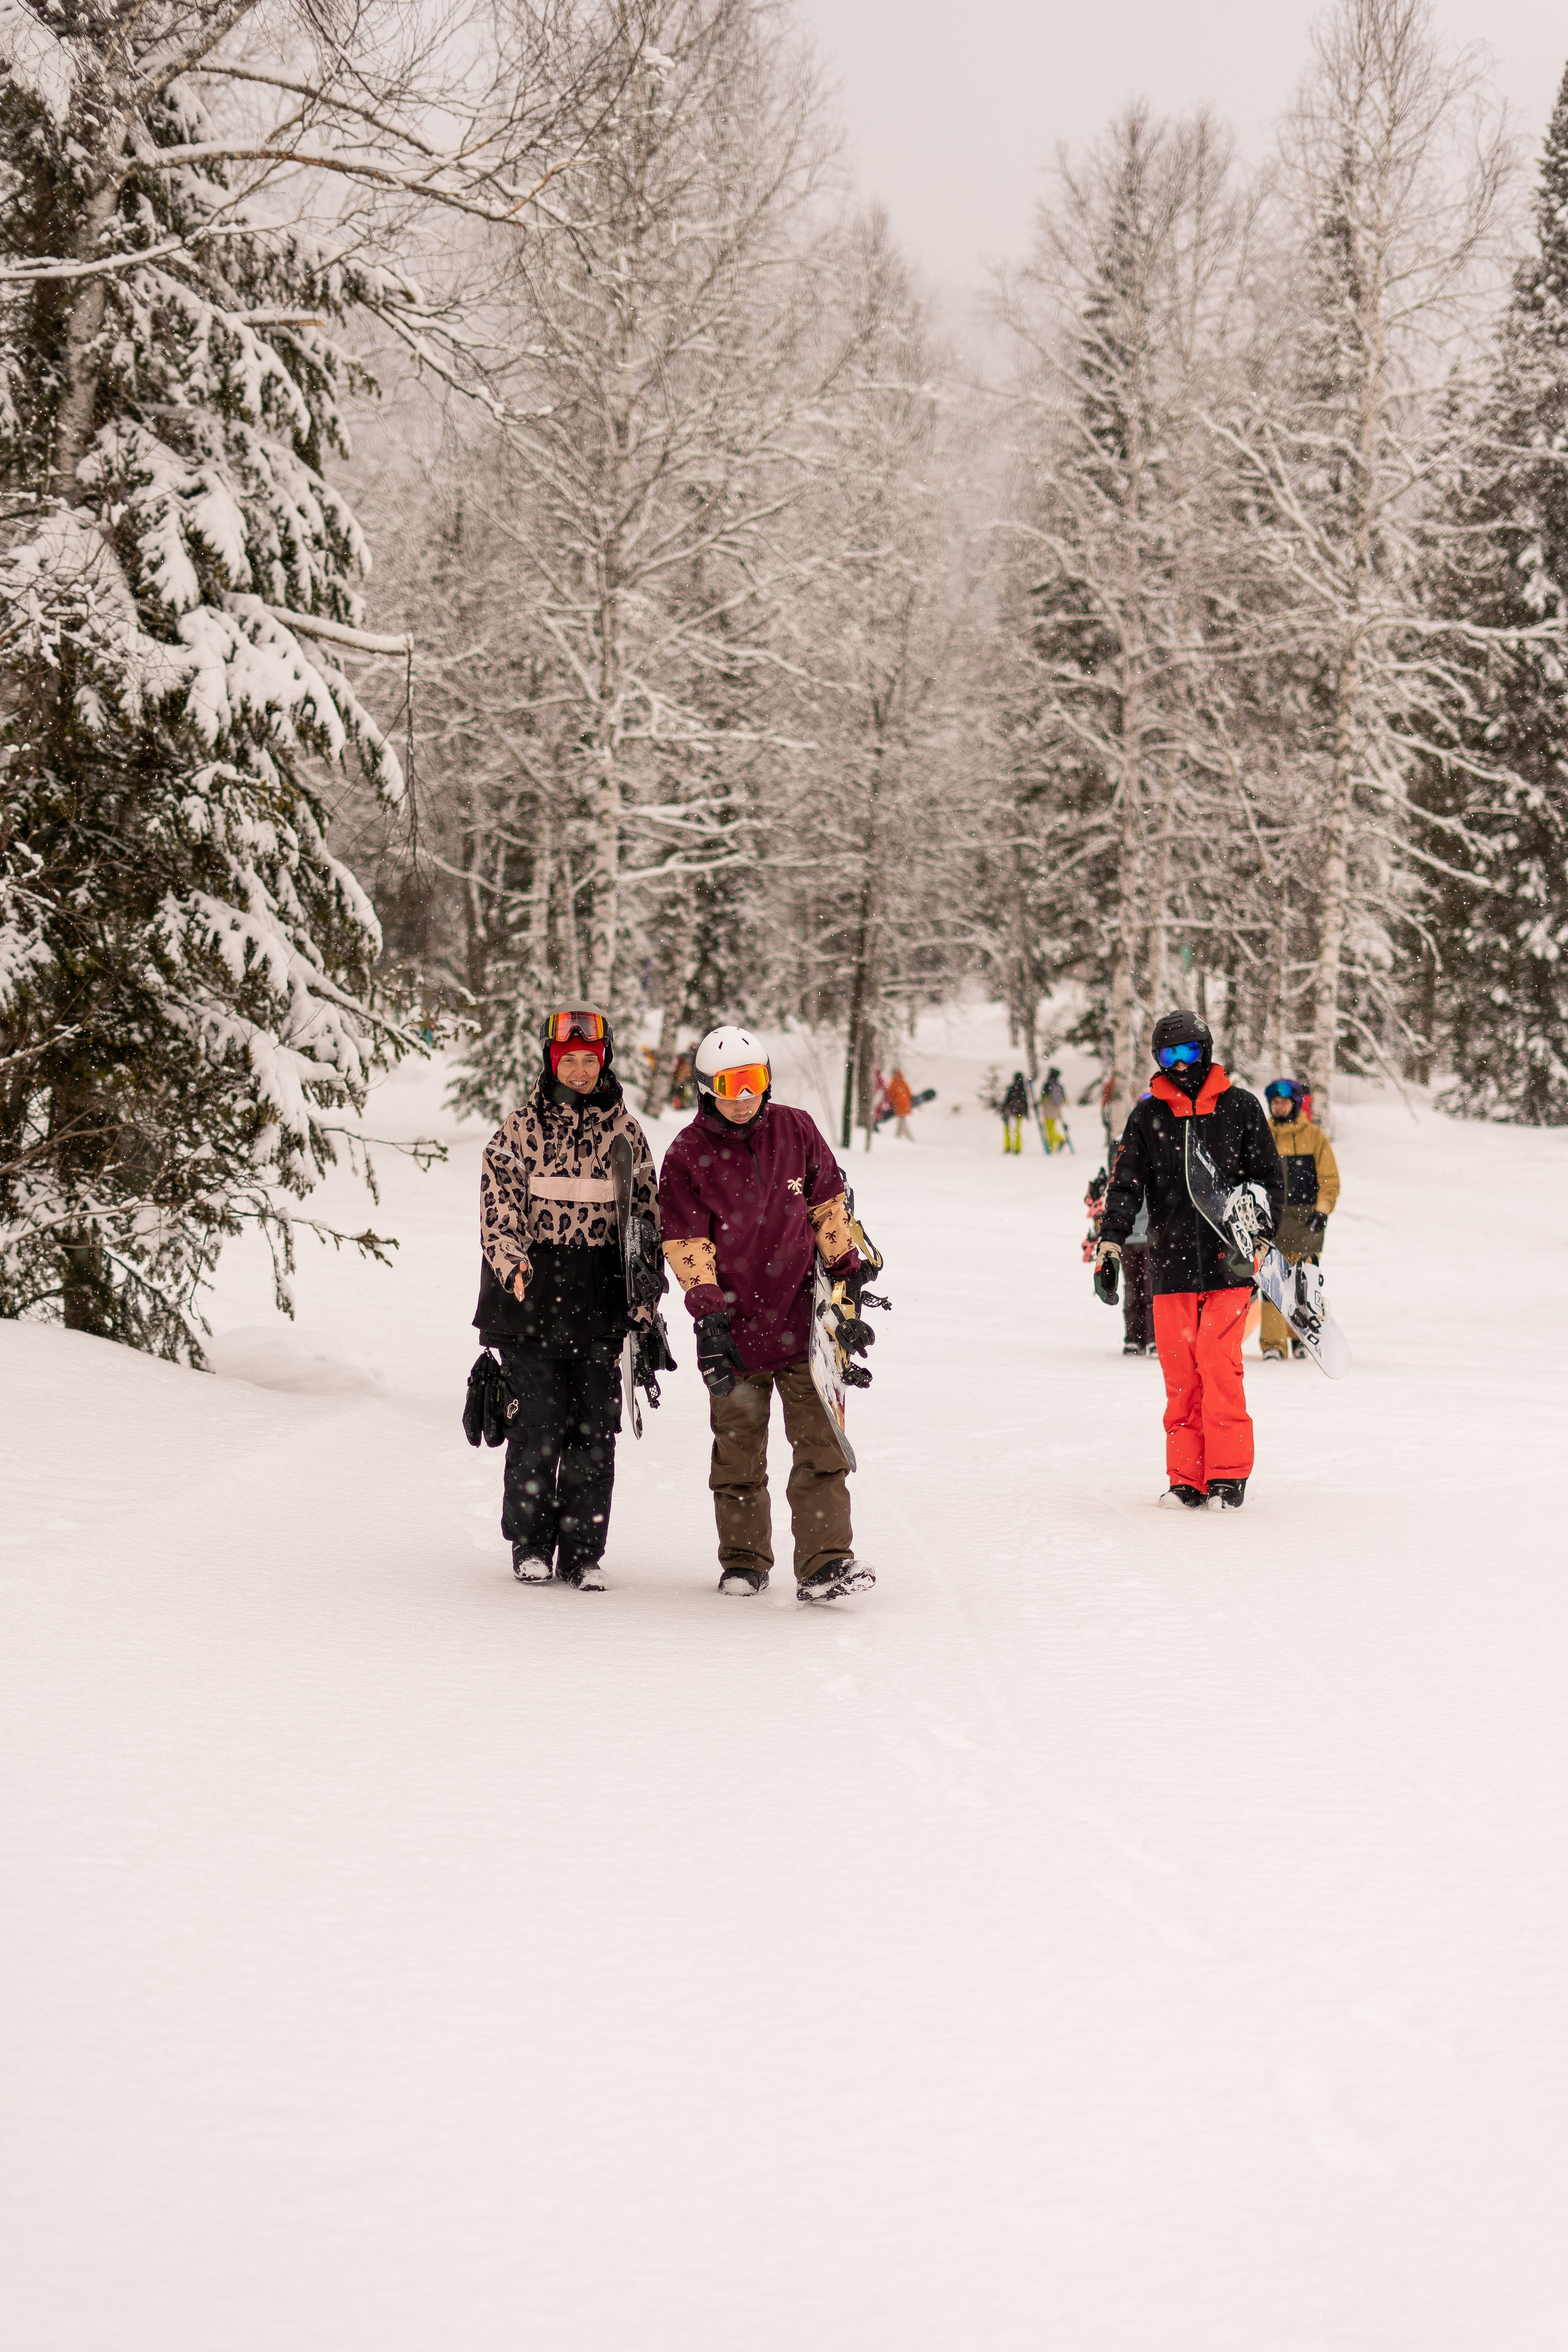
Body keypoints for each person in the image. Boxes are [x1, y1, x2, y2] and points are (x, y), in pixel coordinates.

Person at [657, 1025, 874, 1602]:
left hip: (804, 1326)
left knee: (821, 1449)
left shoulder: (796, 1129)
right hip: (735, 1329)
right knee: (738, 1454)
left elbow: (829, 1204)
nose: (743, 1095)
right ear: (707, 1089)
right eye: (729, 1085)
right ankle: (745, 1562)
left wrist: (848, 1270)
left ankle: (826, 1562)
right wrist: (707, 1316)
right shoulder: (687, 1154)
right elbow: (686, 1242)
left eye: (753, 1081)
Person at [473, 1006, 660, 1588]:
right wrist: (514, 1265)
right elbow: (498, 1209)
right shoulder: (518, 1131)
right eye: (569, 1060)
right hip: (530, 1299)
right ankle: (530, 1545)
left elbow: (645, 1221)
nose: (579, 1071)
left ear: (602, 1059)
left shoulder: (626, 1134)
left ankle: (582, 1553)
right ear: (552, 1061)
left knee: (593, 1433)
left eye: (589, 1060)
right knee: (536, 1426)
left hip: (600, 1301)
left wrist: (644, 1298)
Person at [1094, 1012, 1283, 1511]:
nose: (1180, 1065)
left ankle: (1227, 1477)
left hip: (1231, 1264)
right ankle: (1186, 1480)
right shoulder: (1147, 1115)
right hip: (1171, 1266)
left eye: (1189, 1054)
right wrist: (1111, 1244)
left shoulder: (1241, 1107)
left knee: (1219, 1368)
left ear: (1207, 1051)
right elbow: (1126, 1185)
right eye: (1169, 1056)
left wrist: (1260, 1230)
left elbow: (1270, 1177)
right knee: (1181, 1378)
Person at [1259, 1078, 1341, 1360]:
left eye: (1283, 1102)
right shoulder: (1263, 1136)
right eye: (1274, 1103)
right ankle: (1273, 1345)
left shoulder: (1315, 1137)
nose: (1278, 1107)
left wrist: (1322, 1210)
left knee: (1302, 1286)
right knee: (1272, 1286)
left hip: (1307, 1224)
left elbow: (1329, 1180)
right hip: (1272, 1223)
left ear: (1295, 1104)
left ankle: (1300, 1337)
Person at [1000, 1070, 1030, 1153]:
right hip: (1020, 1113)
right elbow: (1025, 1102)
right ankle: (1017, 1148)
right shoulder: (1023, 1089)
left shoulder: (1012, 1088)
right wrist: (1027, 1113)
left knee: (1008, 1130)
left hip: (1011, 1112)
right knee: (1017, 1131)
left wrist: (1004, 1110)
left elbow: (1007, 1100)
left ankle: (1007, 1147)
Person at [888, 1067, 915, 1140]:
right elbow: (909, 1093)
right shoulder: (903, 1082)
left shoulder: (894, 1083)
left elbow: (891, 1094)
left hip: (899, 1104)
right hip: (906, 1104)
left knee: (902, 1120)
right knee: (902, 1119)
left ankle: (906, 1136)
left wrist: (891, 1103)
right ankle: (899, 1135)